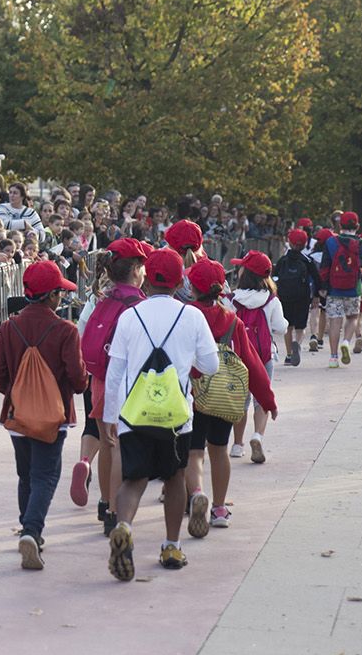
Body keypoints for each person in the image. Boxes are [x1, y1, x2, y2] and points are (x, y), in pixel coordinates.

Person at [100, 249, 218, 581]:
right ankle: (170, 546)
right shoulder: (192, 316)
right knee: (175, 476)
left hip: (133, 412)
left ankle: (123, 525)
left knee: (134, 479)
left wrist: (110, 415)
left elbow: (115, 371)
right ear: (180, 280)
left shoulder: (129, 316)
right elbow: (211, 364)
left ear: (147, 279)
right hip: (176, 415)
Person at [0, 261, 87, 571]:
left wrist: (16, 392)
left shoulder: (9, 326)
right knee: (46, 475)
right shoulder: (65, 330)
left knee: (27, 474)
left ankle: (27, 527)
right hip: (52, 416)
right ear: (53, 296)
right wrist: (68, 389)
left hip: (18, 415)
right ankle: (32, 531)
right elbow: (78, 378)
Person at [181, 260, 277, 535]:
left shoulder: (185, 315)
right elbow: (252, 362)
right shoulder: (231, 320)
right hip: (224, 393)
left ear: (193, 288)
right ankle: (220, 508)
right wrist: (267, 400)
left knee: (194, 451)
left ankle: (197, 492)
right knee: (219, 449)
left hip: (192, 393)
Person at [76, 239, 150, 533]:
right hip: (127, 382)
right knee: (120, 446)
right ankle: (117, 512)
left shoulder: (102, 297)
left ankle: (105, 504)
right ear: (135, 269)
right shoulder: (139, 305)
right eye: (142, 266)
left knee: (106, 443)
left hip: (100, 380)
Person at [229, 252, 286, 467]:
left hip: (239, 357)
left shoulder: (233, 299)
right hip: (264, 356)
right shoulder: (271, 300)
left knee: (240, 401)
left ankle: (237, 444)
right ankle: (258, 436)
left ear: (246, 273)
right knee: (261, 398)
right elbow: (280, 327)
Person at [318, 213, 362, 368]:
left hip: (334, 288)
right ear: (357, 226)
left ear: (340, 226)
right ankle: (346, 341)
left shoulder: (331, 242)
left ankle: (333, 358)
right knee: (353, 318)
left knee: (335, 321)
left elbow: (325, 266)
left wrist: (323, 286)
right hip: (353, 287)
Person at [272, 228, 319, 366]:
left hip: (285, 296)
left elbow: (274, 278)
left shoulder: (282, 260)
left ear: (289, 242)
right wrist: (316, 296)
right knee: (300, 327)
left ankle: (288, 355)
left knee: (288, 326)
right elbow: (317, 279)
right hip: (302, 297)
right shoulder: (307, 261)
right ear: (305, 244)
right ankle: (297, 344)